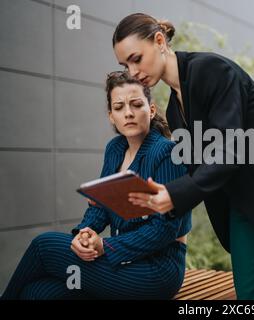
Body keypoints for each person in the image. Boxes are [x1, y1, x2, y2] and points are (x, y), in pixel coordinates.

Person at [114, 13, 254, 300]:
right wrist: (146, 195)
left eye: (136, 58)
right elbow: (195, 174)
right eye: (125, 65)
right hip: (242, 208)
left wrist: (175, 193)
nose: (132, 72)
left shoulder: (211, 70)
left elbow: (230, 149)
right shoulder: (173, 112)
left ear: (159, 41)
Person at [1, 71, 191, 300]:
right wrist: (85, 232)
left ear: (150, 110)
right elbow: (100, 205)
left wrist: (104, 245)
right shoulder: (115, 149)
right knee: (37, 293)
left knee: (44, 246)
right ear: (111, 116)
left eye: (136, 104)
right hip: (122, 262)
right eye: (119, 107)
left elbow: (164, 230)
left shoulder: (166, 152)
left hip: (156, 271)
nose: (128, 113)